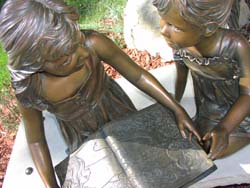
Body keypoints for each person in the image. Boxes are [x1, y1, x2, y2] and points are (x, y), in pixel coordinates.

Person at [0, 0, 200, 187]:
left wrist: (176, 109)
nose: (83, 54)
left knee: (149, 163)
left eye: (77, 42)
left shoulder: (93, 44)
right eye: (65, 59)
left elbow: (138, 75)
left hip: (116, 107)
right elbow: (35, 141)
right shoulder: (31, 89)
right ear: (34, 63)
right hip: (81, 134)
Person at [153, 0, 250, 160]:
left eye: (175, 26)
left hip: (239, 115)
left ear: (208, 28)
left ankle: (243, 135)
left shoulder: (236, 45)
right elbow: (181, 76)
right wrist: (175, 104)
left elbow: (247, 94)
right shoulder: (179, 42)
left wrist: (224, 129)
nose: (164, 30)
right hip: (207, 111)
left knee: (206, 150)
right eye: (164, 20)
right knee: (183, 139)